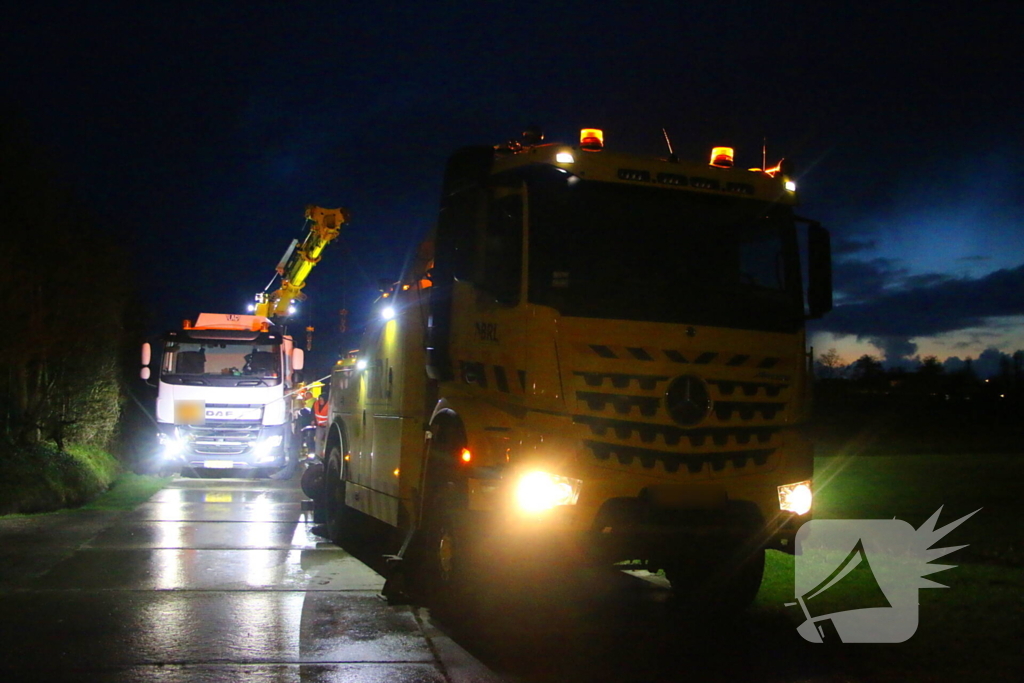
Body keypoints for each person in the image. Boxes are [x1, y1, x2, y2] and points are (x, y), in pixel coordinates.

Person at [312, 389, 329, 457]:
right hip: (319, 426)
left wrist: (327, 423)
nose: (320, 401)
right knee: (318, 441)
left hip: (328, 426)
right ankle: (318, 456)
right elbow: (312, 412)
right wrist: (313, 420)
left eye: (322, 399)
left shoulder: (329, 405)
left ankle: (325, 455)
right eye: (320, 399)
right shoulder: (316, 404)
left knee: (326, 441)